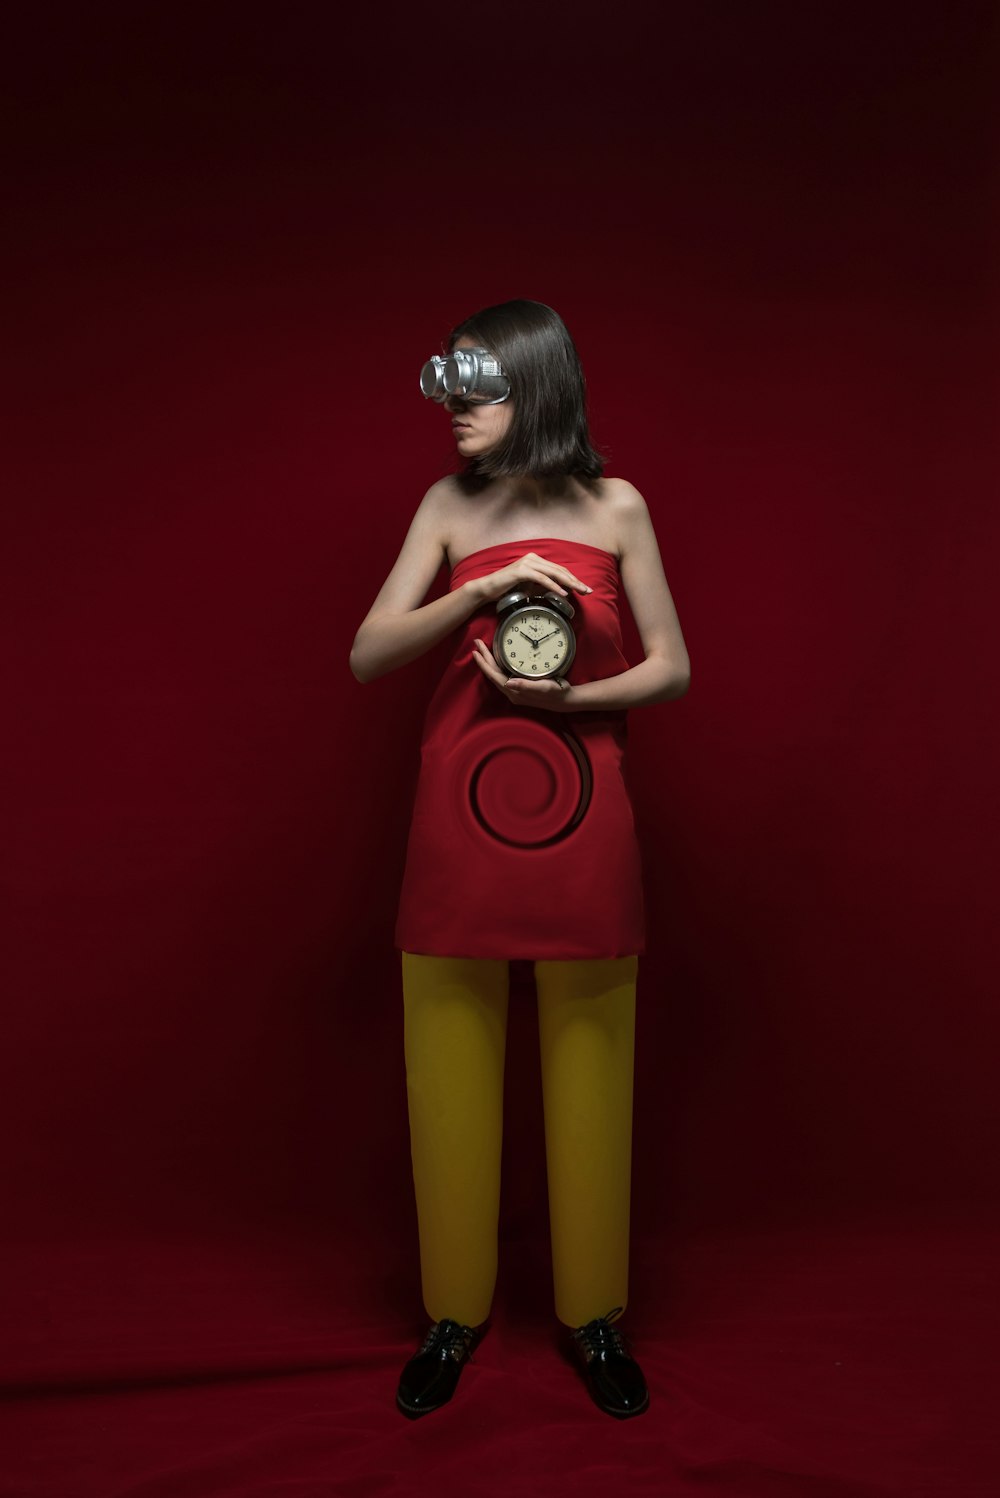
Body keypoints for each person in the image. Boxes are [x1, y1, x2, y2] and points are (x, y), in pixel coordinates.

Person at [350, 299, 690, 1420]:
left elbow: (673, 668)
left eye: (479, 394)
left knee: (593, 1063)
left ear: (537, 391)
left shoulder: (618, 505)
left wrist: (571, 697)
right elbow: (366, 654)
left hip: (587, 817)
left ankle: (593, 1316)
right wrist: (479, 588)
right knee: (444, 1065)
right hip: (457, 818)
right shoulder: (448, 506)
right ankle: (454, 1314)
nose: (455, 415)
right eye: (450, 394)